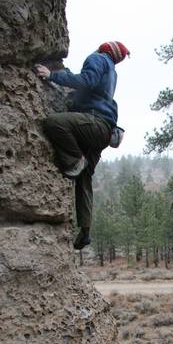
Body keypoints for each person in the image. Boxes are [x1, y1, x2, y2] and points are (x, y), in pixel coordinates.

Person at [35, 41, 130, 250]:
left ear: (103, 48)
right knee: (85, 180)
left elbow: (86, 80)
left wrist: (52, 75)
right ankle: (85, 232)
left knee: (54, 122)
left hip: (93, 124)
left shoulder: (98, 59)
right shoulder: (112, 72)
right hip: (102, 133)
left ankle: (75, 159)